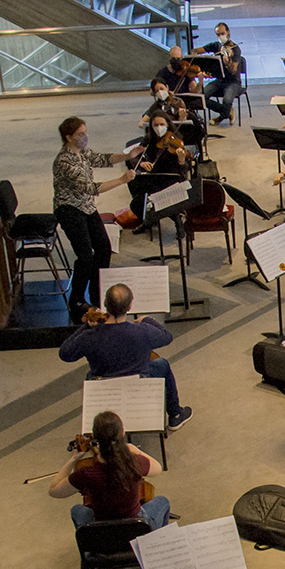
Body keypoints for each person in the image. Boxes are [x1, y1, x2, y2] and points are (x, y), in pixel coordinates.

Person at [59, 283, 193, 430]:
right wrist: (148, 319)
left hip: (104, 389)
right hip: (139, 386)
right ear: (129, 307)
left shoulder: (90, 336)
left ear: (105, 304)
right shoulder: (142, 331)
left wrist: (87, 326)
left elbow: (65, 354)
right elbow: (167, 337)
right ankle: (175, 415)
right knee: (162, 364)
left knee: (91, 374)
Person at [52, 116, 144, 322]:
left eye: (85, 132)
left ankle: (96, 291)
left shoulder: (82, 152)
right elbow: (92, 188)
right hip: (69, 209)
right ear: (68, 137)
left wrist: (128, 155)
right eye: (80, 134)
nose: (85, 137)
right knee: (85, 255)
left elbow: (102, 159)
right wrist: (122, 180)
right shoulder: (64, 162)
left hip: (85, 206)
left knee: (103, 247)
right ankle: (76, 300)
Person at [48, 410, 169, 530]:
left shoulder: (86, 473)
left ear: (95, 437)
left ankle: (94, 546)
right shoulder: (134, 463)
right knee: (162, 502)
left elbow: (54, 491)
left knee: (76, 510)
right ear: (122, 433)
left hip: (103, 533)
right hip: (136, 527)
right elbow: (157, 468)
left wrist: (74, 458)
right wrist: (132, 448)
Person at [128, 113, 191, 234]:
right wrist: (142, 163)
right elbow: (133, 156)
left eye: (162, 124)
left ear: (168, 125)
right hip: (153, 180)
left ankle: (177, 220)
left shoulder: (176, 141)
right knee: (135, 204)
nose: (159, 127)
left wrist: (181, 160)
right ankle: (148, 220)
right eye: (155, 125)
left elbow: (183, 174)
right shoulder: (149, 139)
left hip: (171, 182)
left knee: (166, 202)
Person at [196, 22, 242, 127]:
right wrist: (195, 57)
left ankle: (221, 117)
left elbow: (233, 71)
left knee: (227, 100)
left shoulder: (235, 49)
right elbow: (197, 51)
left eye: (222, 33)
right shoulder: (216, 46)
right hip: (219, 80)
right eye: (218, 34)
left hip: (233, 82)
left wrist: (228, 62)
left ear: (228, 32)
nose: (221, 36)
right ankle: (227, 111)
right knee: (201, 97)